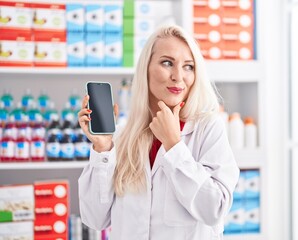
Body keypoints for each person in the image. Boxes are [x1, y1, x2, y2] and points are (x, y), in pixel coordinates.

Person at [77, 25, 239, 240]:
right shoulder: (124, 137)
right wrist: (103, 149)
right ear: (146, 69)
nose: (178, 76)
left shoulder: (208, 128)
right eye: (167, 63)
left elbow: (215, 209)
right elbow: (94, 219)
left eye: (188, 66)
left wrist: (174, 146)